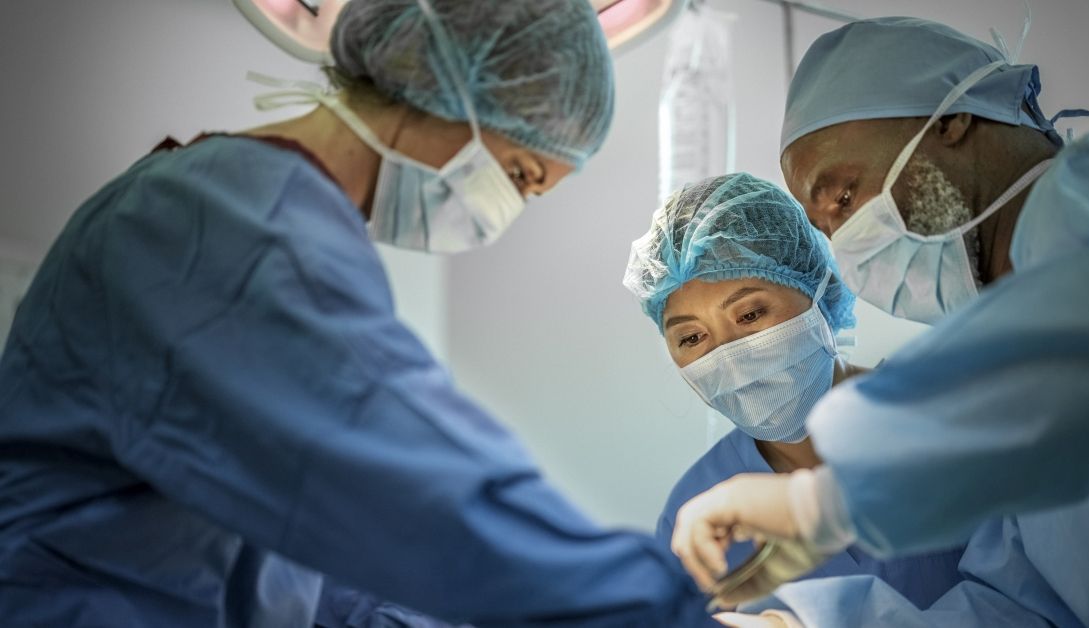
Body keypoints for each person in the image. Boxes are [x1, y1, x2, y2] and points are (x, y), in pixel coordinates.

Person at [0, 1, 720, 626]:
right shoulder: (225, 225)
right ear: (445, 83)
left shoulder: (259, 215)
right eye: (522, 176)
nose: (509, 208)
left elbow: (299, 547)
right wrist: (658, 611)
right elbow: (419, 487)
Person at [669, 16, 1089, 628]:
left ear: (950, 121)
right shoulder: (1010, 337)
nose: (848, 240)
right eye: (828, 227)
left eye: (843, 196)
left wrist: (820, 500)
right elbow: (1025, 602)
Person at [622, 172, 965, 614]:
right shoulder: (694, 513)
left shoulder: (945, 415)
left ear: (819, 290)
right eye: (691, 338)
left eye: (749, 314)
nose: (729, 355)